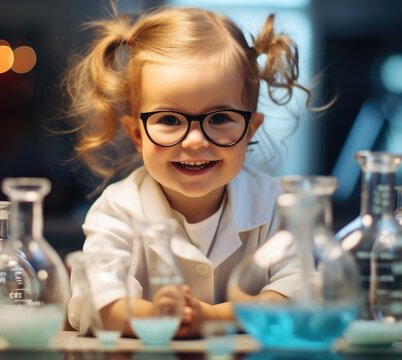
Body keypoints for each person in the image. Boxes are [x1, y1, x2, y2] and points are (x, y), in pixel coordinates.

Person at [63, 4, 322, 339]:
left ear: (251, 129)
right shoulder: (117, 210)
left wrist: (213, 317)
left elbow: (299, 298)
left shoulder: (275, 205)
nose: (196, 141)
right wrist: (158, 316)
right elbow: (97, 305)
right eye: (170, 120)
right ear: (137, 135)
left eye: (219, 119)